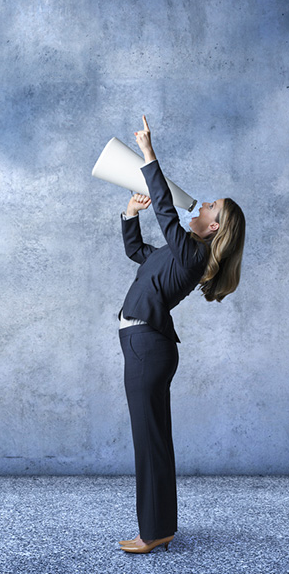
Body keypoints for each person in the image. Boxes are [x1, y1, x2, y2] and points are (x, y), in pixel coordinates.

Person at [116, 116, 246, 554]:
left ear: (213, 228)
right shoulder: (179, 255)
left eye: (209, 206)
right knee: (154, 440)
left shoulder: (191, 254)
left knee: (148, 443)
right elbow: (138, 252)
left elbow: (168, 213)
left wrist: (149, 155)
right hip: (147, 347)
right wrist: (129, 215)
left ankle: (151, 533)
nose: (202, 205)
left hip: (147, 346)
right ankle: (161, 528)